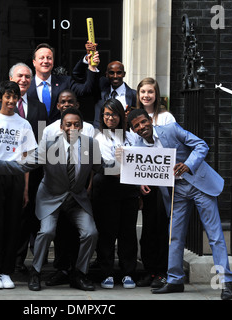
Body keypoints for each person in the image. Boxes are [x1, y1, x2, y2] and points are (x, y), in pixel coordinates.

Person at [0, 108, 112, 292]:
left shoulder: (90, 144)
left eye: (76, 124)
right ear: (61, 126)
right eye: (68, 124)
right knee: (47, 231)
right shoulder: (48, 146)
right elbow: (23, 165)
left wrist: (125, 165)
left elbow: (102, 167)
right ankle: (36, 271)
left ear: (81, 127)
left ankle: (79, 273)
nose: (72, 127)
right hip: (51, 197)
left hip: (77, 199)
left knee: (91, 233)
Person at [127, 108, 232, 300]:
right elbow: (139, 170)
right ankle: (175, 279)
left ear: (150, 120)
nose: (142, 127)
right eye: (136, 126)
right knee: (174, 236)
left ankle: (225, 281)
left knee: (214, 235)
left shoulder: (171, 129)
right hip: (176, 192)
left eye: (144, 122)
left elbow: (201, 145)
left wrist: (188, 164)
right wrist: (140, 183)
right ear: (133, 130)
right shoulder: (137, 145)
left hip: (199, 184)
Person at [0, 62, 48, 273]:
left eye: (15, 97)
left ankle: (9, 269)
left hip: (18, 177)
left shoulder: (28, 119)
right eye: (7, 96)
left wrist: (26, 187)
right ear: (0, 98)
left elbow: (28, 155)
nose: (11, 100)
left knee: (14, 224)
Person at [41, 90, 95, 287]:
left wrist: (88, 186)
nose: (66, 104)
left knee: (84, 231)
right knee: (60, 233)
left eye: (70, 101)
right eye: (62, 102)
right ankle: (62, 269)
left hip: (80, 192)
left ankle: (78, 272)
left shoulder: (89, 129)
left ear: (77, 104)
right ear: (57, 106)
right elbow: (42, 162)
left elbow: (93, 162)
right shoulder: (49, 130)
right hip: (57, 193)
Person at [93, 98, 140, 289]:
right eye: (106, 114)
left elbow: (140, 164)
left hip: (128, 190)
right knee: (106, 232)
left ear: (121, 116)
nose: (110, 118)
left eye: (113, 114)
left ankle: (128, 272)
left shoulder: (132, 137)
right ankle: (106, 273)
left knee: (127, 232)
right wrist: (115, 165)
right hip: (106, 189)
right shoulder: (98, 138)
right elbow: (97, 166)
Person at [135, 77, 176, 288]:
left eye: (150, 92)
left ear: (156, 94)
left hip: (165, 183)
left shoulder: (166, 118)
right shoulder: (133, 117)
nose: (146, 96)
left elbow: (173, 147)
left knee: (162, 229)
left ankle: (162, 271)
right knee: (149, 228)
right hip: (145, 184)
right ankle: (149, 271)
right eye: (143, 92)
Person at [28, 43, 100, 123]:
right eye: (42, 58)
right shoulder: (26, 85)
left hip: (60, 130)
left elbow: (87, 90)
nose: (45, 61)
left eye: (49, 58)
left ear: (53, 61)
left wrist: (91, 66)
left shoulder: (65, 82)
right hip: (35, 131)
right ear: (34, 62)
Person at [92, 61, 137, 129]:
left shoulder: (134, 95)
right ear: (107, 74)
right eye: (111, 73)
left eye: (119, 73)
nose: (115, 76)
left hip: (124, 134)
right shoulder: (101, 93)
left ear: (124, 74)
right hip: (104, 134)